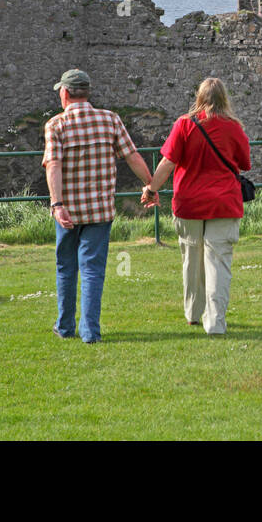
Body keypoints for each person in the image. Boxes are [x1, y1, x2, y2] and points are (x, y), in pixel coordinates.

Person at [43, 68, 153, 343]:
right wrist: (150, 185)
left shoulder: (55, 125)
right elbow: (132, 156)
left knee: (66, 268)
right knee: (92, 270)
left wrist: (57, 204)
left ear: (65, 94)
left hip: (67, 211)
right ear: (87, 92)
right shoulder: (110, 120)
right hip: (100, 211)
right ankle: (90, 332)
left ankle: (65, 327)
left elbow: (53, 165)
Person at [141, 77, 251, 335]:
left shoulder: (184, 125)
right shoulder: (234, 127)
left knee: (191, 259)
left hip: (189, 202)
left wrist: (151, 189)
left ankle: (193, 312)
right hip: (223, 202)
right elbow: (245, 163)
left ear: (199, 97)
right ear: (224, 98)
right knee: (218, 263)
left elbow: (167, 162)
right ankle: (214, 323)